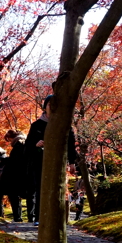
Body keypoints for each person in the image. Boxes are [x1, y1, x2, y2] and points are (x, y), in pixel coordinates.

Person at [25, 95, 77, 223]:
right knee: (41, 189)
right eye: (49, 104)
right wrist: (36, 144)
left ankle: (57, 218)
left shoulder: (64, 124)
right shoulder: (37, 125)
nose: (52, 107)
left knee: (58, 189)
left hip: (59, 162)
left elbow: (71, 145)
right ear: (45, 106)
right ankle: (39, 217)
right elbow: (27, 145)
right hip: (39, 162)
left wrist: (72, 163)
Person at [3, 130, 32, 222]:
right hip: (27, 174)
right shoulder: (26, 142)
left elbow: (15, 161)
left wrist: (6, 161)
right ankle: (31, 217)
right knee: (30, 196)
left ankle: (18, 217)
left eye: (9, 139)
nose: (9, 142)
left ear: (11, 137)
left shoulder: (18, 144)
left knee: (14, 196)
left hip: (17, 175)